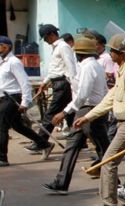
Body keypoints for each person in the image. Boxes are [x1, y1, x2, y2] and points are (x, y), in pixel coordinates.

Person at [73, 34, 125, 206]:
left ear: (122, 53)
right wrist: (88, 117)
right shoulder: (122, 70)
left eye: (113, 50)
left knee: (108, 163)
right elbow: (110, 99)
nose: (109, 52)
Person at [42, 36, 109, 194]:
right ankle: (61, 182)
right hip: (88, 109)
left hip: (89, 110)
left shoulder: (88, 67)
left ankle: (117, 184)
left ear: (80, 54)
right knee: (73, 145)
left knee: (103, 148)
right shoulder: (95, 66)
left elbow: (82, 94)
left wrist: (65, 112)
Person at [0, 35, 53, 166]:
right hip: (3, 97)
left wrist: (25, 102)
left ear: (6, 47)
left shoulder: (14, 62)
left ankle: (2, 158)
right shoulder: (2, 62)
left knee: (1, 126)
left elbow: (24, 83)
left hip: (12, 97)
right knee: (18, 126)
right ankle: (43, 143)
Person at [28, 24, 77, 151]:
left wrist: (74, 86)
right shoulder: (56, 48)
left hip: (63, 84)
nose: (45, 41)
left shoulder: (63, 47)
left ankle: (41, 142)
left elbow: (70, 67)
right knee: (70, 114)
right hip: (57, 83)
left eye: (45, 38)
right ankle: (80, 143)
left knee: (50, 115)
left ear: (52, 35)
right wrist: (45, 82)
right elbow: (54, 69)